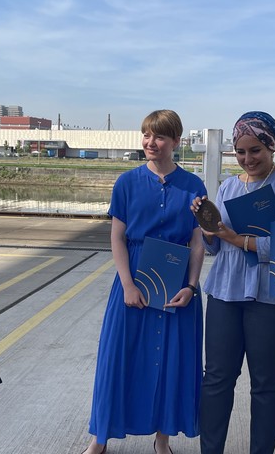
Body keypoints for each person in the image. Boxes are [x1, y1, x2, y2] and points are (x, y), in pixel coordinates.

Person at [82, 110, 207, 454]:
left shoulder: (193, 186)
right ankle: (100, 437)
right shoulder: (127, 182)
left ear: (176, 142)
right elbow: (117, 238)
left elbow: (197, 243)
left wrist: (192, 286)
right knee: (118, 356)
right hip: (134, 275)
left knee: (170, 359)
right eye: (147, 135)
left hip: (176, 279)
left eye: (160, 137)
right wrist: (127, 284)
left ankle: (162, 438)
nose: (151, 143)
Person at [191, 111, 275, 454]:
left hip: (271, 296)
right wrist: (207, 228)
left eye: (256, 150)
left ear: (271, 146)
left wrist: (233, 237)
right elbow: (215, 246)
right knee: (216, 379)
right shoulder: (228, 185)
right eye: (241, 152)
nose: (248, 159)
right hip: (225, 292)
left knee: (265, 383)